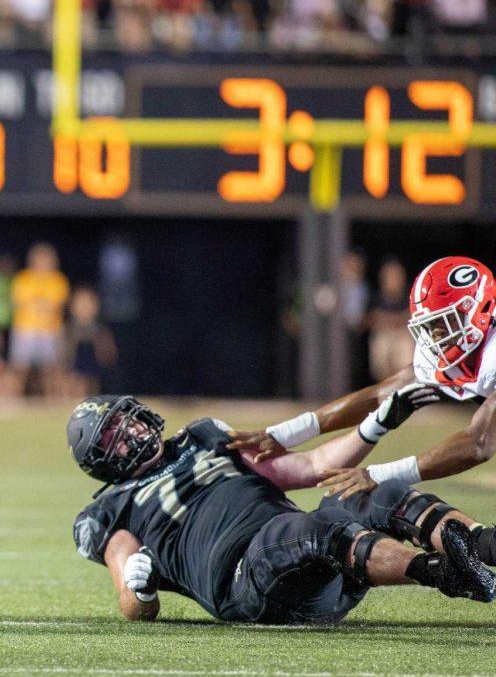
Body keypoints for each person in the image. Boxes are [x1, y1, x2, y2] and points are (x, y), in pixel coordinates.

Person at [68, 396, 496, 624]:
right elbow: (131, 602)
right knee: (309, 528)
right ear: (101, 462)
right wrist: (139, 589)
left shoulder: (203, 437)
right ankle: (445, 573)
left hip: (319, 561)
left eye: (127, 421)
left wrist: (376, 425)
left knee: (370, 489)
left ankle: (483, 546)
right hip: (246, 583)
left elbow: (311, 466)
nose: (131, 433)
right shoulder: (112, 507)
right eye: (113, 439)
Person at [229, 256, 496, 501]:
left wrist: (377, 475)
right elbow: (379, 395)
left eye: (444, 323)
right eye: (430, 325)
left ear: (479, 311)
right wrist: (282, 435)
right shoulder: (448, 349)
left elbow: (478, 444)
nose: (436, 335)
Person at [9, 243, 70, 396]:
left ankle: (51, 400)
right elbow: (17, 302)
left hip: (49, 330)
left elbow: (57, 305)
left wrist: (38, 305)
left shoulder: (58, 281)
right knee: (19, 368)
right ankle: (14, 399)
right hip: (25, 329)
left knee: (50, 369)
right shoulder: (22, 279)